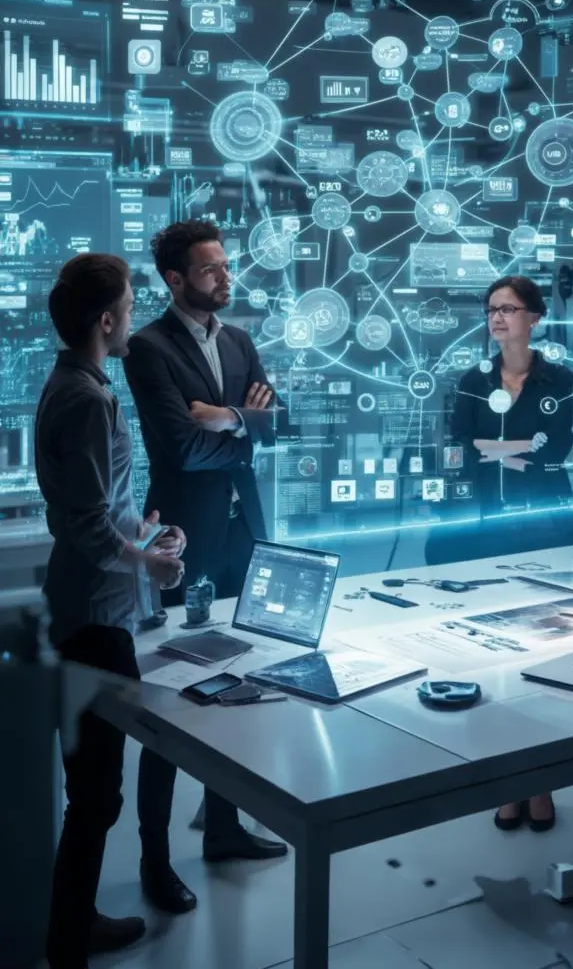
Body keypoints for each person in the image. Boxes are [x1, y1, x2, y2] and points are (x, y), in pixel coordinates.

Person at [123, 220, 286, 913]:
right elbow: (180, 449)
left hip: (244, 533)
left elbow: (277, 422)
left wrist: (226, 419)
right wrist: (236, 429)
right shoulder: (146, 347)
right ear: (174, 279)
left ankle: (223, 828)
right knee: (171, 703)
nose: (225, 276)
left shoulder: (241, 341)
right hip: (183, 539)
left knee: (238, 683)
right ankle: (156, 860)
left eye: (226, 265)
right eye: (211, 269)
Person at [37, 254, 186, 969]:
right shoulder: (90, 399)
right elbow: (93, 529)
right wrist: (149, 561)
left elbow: (90, 512)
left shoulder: (69, 382)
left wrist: (144, 531)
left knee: (89, 790)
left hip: (82, 607)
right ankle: (68, 940)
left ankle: (73, 923)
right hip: (98, 621)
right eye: (130, 304)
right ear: (107, 319)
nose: (135, 313)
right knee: (96, 796)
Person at [448, 275, 573, 835]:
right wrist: (517, 451)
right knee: (493, 660)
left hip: (543, 531)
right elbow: (458, 449)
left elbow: (557, 451)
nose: (498, 317)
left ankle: (542, 780)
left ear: (535, 318)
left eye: (509, 308)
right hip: (483, 532)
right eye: (492, 309)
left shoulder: (561, 378)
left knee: (542, 658)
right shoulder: (470, 381)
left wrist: (499, 452)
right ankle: (508, 780)